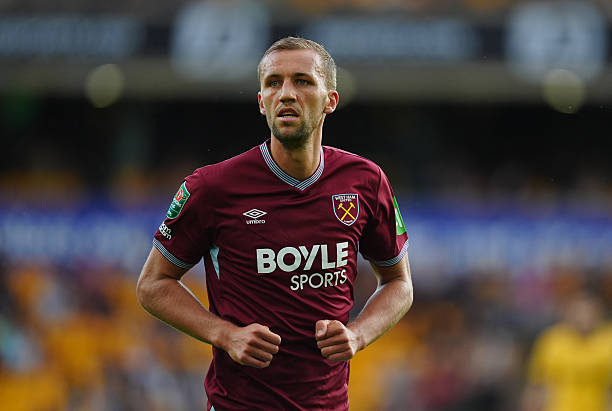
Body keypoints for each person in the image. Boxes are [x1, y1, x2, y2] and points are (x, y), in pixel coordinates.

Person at [136, 36, 413, 410]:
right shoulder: (212, 188)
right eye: (273, 83)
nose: (286, 94)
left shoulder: (365, 181)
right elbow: (153, 284)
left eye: (302, 81)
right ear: (261, 102)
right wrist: (225, 334)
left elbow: (399, 283)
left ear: (330, 100)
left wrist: (359, 335)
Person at [522, 290, 612, 411]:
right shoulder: (552, 340)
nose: (584, 317)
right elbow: (536, 383)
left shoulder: (608, 340)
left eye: (589, 312)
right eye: (579, 312)